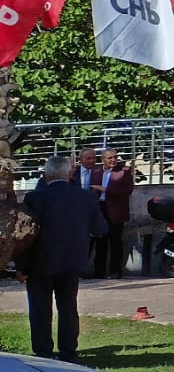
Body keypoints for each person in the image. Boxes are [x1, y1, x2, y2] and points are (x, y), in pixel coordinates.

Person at [21, 156, 104, 361]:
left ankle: (43, 352)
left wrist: (21, 266)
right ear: (70, 174)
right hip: (72, 261)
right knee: (68, 307)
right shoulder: (85, 197)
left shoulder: (34, 198)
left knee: (40, 309)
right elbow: (101, 228)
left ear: (45, 175)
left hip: (40, 261)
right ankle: (68, 351)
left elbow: (24, 235)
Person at [96, 149, 134, 278]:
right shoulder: (96, 171)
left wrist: (106, 190)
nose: (113, 160)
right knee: (100, 242)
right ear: (103, 160)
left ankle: (115, 271)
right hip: (100, 208)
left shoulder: (124, 171)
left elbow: (127, 190)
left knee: (115, 241)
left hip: (116, 209)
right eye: (109, 158)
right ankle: (99, 272)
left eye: (115, 157)